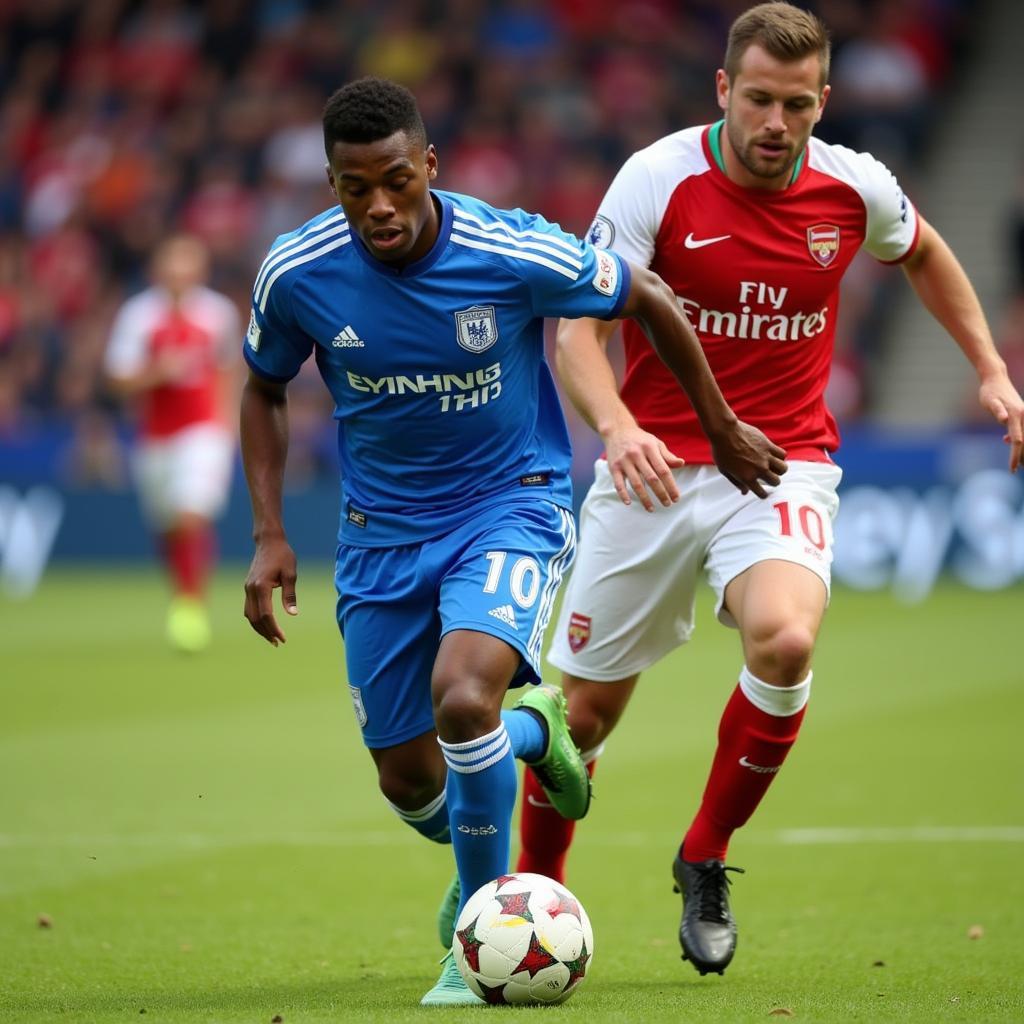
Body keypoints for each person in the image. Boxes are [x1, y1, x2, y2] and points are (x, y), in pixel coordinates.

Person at [238, 76, 785, 1006]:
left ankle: (478, 926)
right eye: (353, 187)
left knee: (461, 700)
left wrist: (722, 426)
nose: (378, 206)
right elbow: (262, 387)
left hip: (510, 507)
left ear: (431, 168)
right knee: (411, 786)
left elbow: (647, 296)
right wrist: (267, 533)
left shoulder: (510, 247)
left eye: (397, 181)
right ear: (330, 183)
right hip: (379, 538)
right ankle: (537, 730)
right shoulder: (296, 273)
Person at [516, 0, 1024, 979]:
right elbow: (577, 328)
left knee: (786, 639)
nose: (774, 124)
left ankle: (704, 852)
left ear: (822, 101)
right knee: (578, 723)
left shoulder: (852, 187)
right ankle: (537, 891)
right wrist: (616, 428)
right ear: (722, 89)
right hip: (652, 466)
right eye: (757, 99)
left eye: (796, 105)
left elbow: (922, 251)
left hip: (781, 461)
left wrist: (991, 371)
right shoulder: (657, 180)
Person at [104, 234, 240, 652]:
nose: (180, 276)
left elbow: (230, 370)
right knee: (167, 526)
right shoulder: (139, 315)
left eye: (188, 267)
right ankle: (183, 591)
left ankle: (190, 605)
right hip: (156, 435)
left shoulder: (217, 314)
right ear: (158, 270)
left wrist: (229, 426)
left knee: (190, 513)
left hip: (203, 430)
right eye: (173, 267)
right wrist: (155, 373)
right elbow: (117, 380)